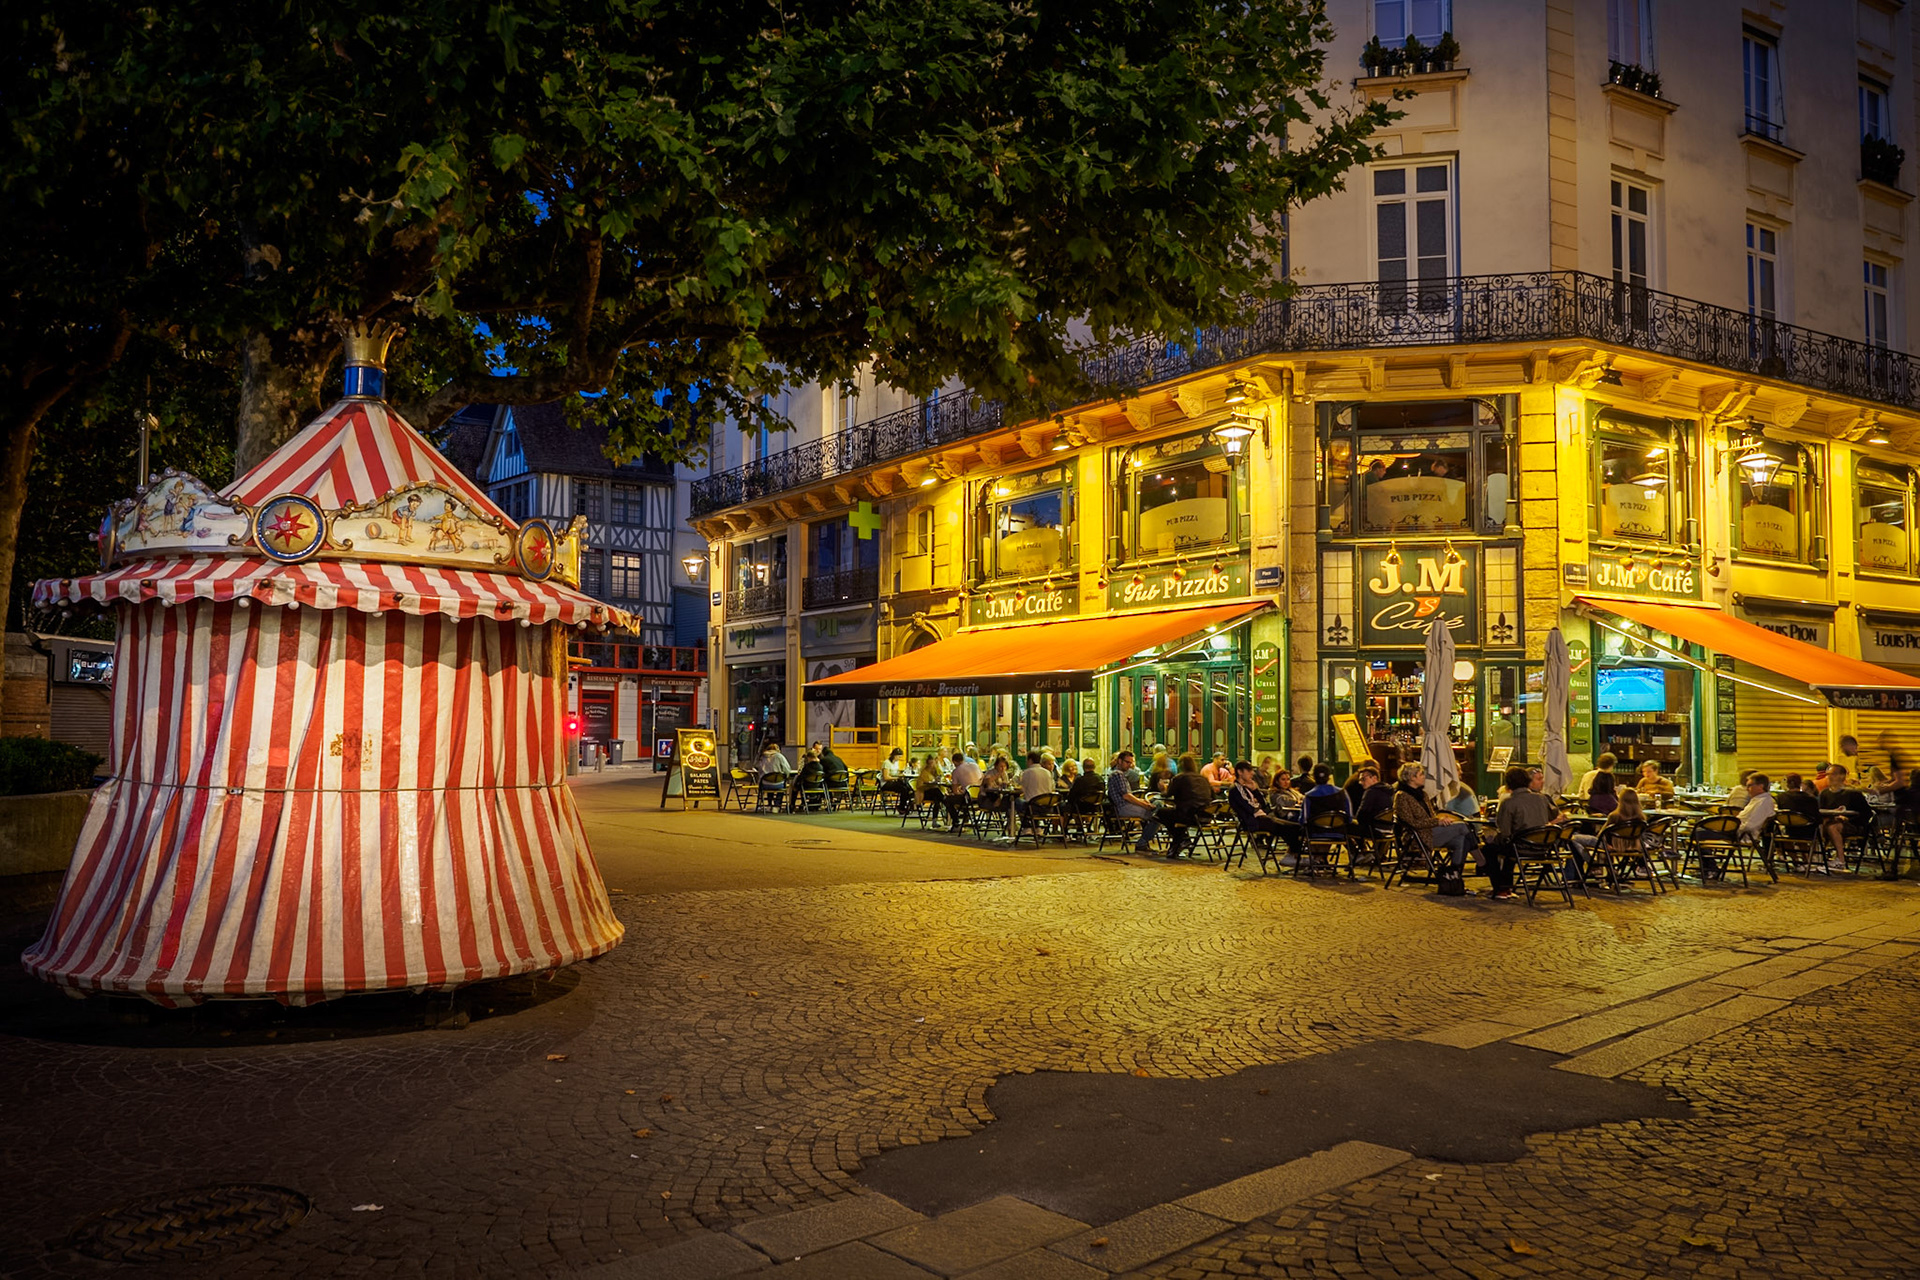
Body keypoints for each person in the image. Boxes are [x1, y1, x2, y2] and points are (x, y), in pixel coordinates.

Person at [1393, 762, 1476, 882]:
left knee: (1461, 840)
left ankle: (1454, 874)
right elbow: (1412, 823)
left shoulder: (1423, 794)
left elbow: (1431, 815)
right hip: (1416, 836)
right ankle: (1481, 861)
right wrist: (1437, 822)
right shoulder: (1401, 796)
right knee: (1463, 826)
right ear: (1412, 777)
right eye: (1421, 774)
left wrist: (1440, 821)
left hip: (1430, 831)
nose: (1424, 777)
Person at [1227, 760, 1308, 863]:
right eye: (1249, 770)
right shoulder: (1236, 789)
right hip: (1254, 821)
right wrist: (1257, 805)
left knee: (1296, 826)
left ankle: (1294, 854)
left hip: (1262, 817)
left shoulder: (1248, 787)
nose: (1252, 773)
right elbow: (1251, 807)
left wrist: (1255, 790)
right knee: (1289, 828)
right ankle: (1294, 856)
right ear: (1240, 772)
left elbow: (1265, 805)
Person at [1819, 764, 1875, 866]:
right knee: (1817, 826)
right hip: (1829, 822)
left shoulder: (1853, 793)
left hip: (1852, 825)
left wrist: (1847, 819)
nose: (1830, 777)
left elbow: (1866, 813)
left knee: (1833, 827)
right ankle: (1816, 857)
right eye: (1828, 775)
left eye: (1833, 774)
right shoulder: (1824, 793)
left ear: (1842, 776)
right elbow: (1820, 810)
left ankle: (1841, 859)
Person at [1107, 750, 1161, 853]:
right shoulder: (1118, 774)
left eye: (1131, 762)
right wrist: (1144, 805)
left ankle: (1144, 839)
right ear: (1119, 761)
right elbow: (1127, 796)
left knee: (1156, 803)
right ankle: (1142, 842)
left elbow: (1129, 795)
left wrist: (1144, 802)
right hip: (1123, 807)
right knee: (1157, 815)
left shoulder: (1120, 774)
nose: (1130, 765)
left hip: (1127, 805)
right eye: (1127, 762)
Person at [1162, 754, 1214, 858]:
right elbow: (1213, 796)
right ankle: (1180, 841)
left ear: (1181, 765)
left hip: (1188, 814)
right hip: (1206, 815)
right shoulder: (1203, 779)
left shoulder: (1179, 778)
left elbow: (1168, 795)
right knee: (1174, 818)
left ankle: (1182, 838)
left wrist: (1163, 788)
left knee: (1160, 813)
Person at [944, 750, 982, 830]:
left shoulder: (956, 771)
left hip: (968, 798)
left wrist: (958, 792)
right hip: (980, 796)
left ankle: (956, 823)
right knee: (963, 796)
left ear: (954, 762)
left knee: (947, 799)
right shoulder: (974, 765)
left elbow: (955, 791)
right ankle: (966, 819)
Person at [879, 748, 914, 814]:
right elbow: (886, 777)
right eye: (898, 756)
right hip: (886, 783)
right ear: (894, 755)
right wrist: (896, 778)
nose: (899, 758)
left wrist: (901, 774)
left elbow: (896, 773)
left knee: (908, 786)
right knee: (903, 789)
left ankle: (911, 804)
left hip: (894, 781)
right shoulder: (886, 763)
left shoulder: (896, 763)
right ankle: (901, 806)